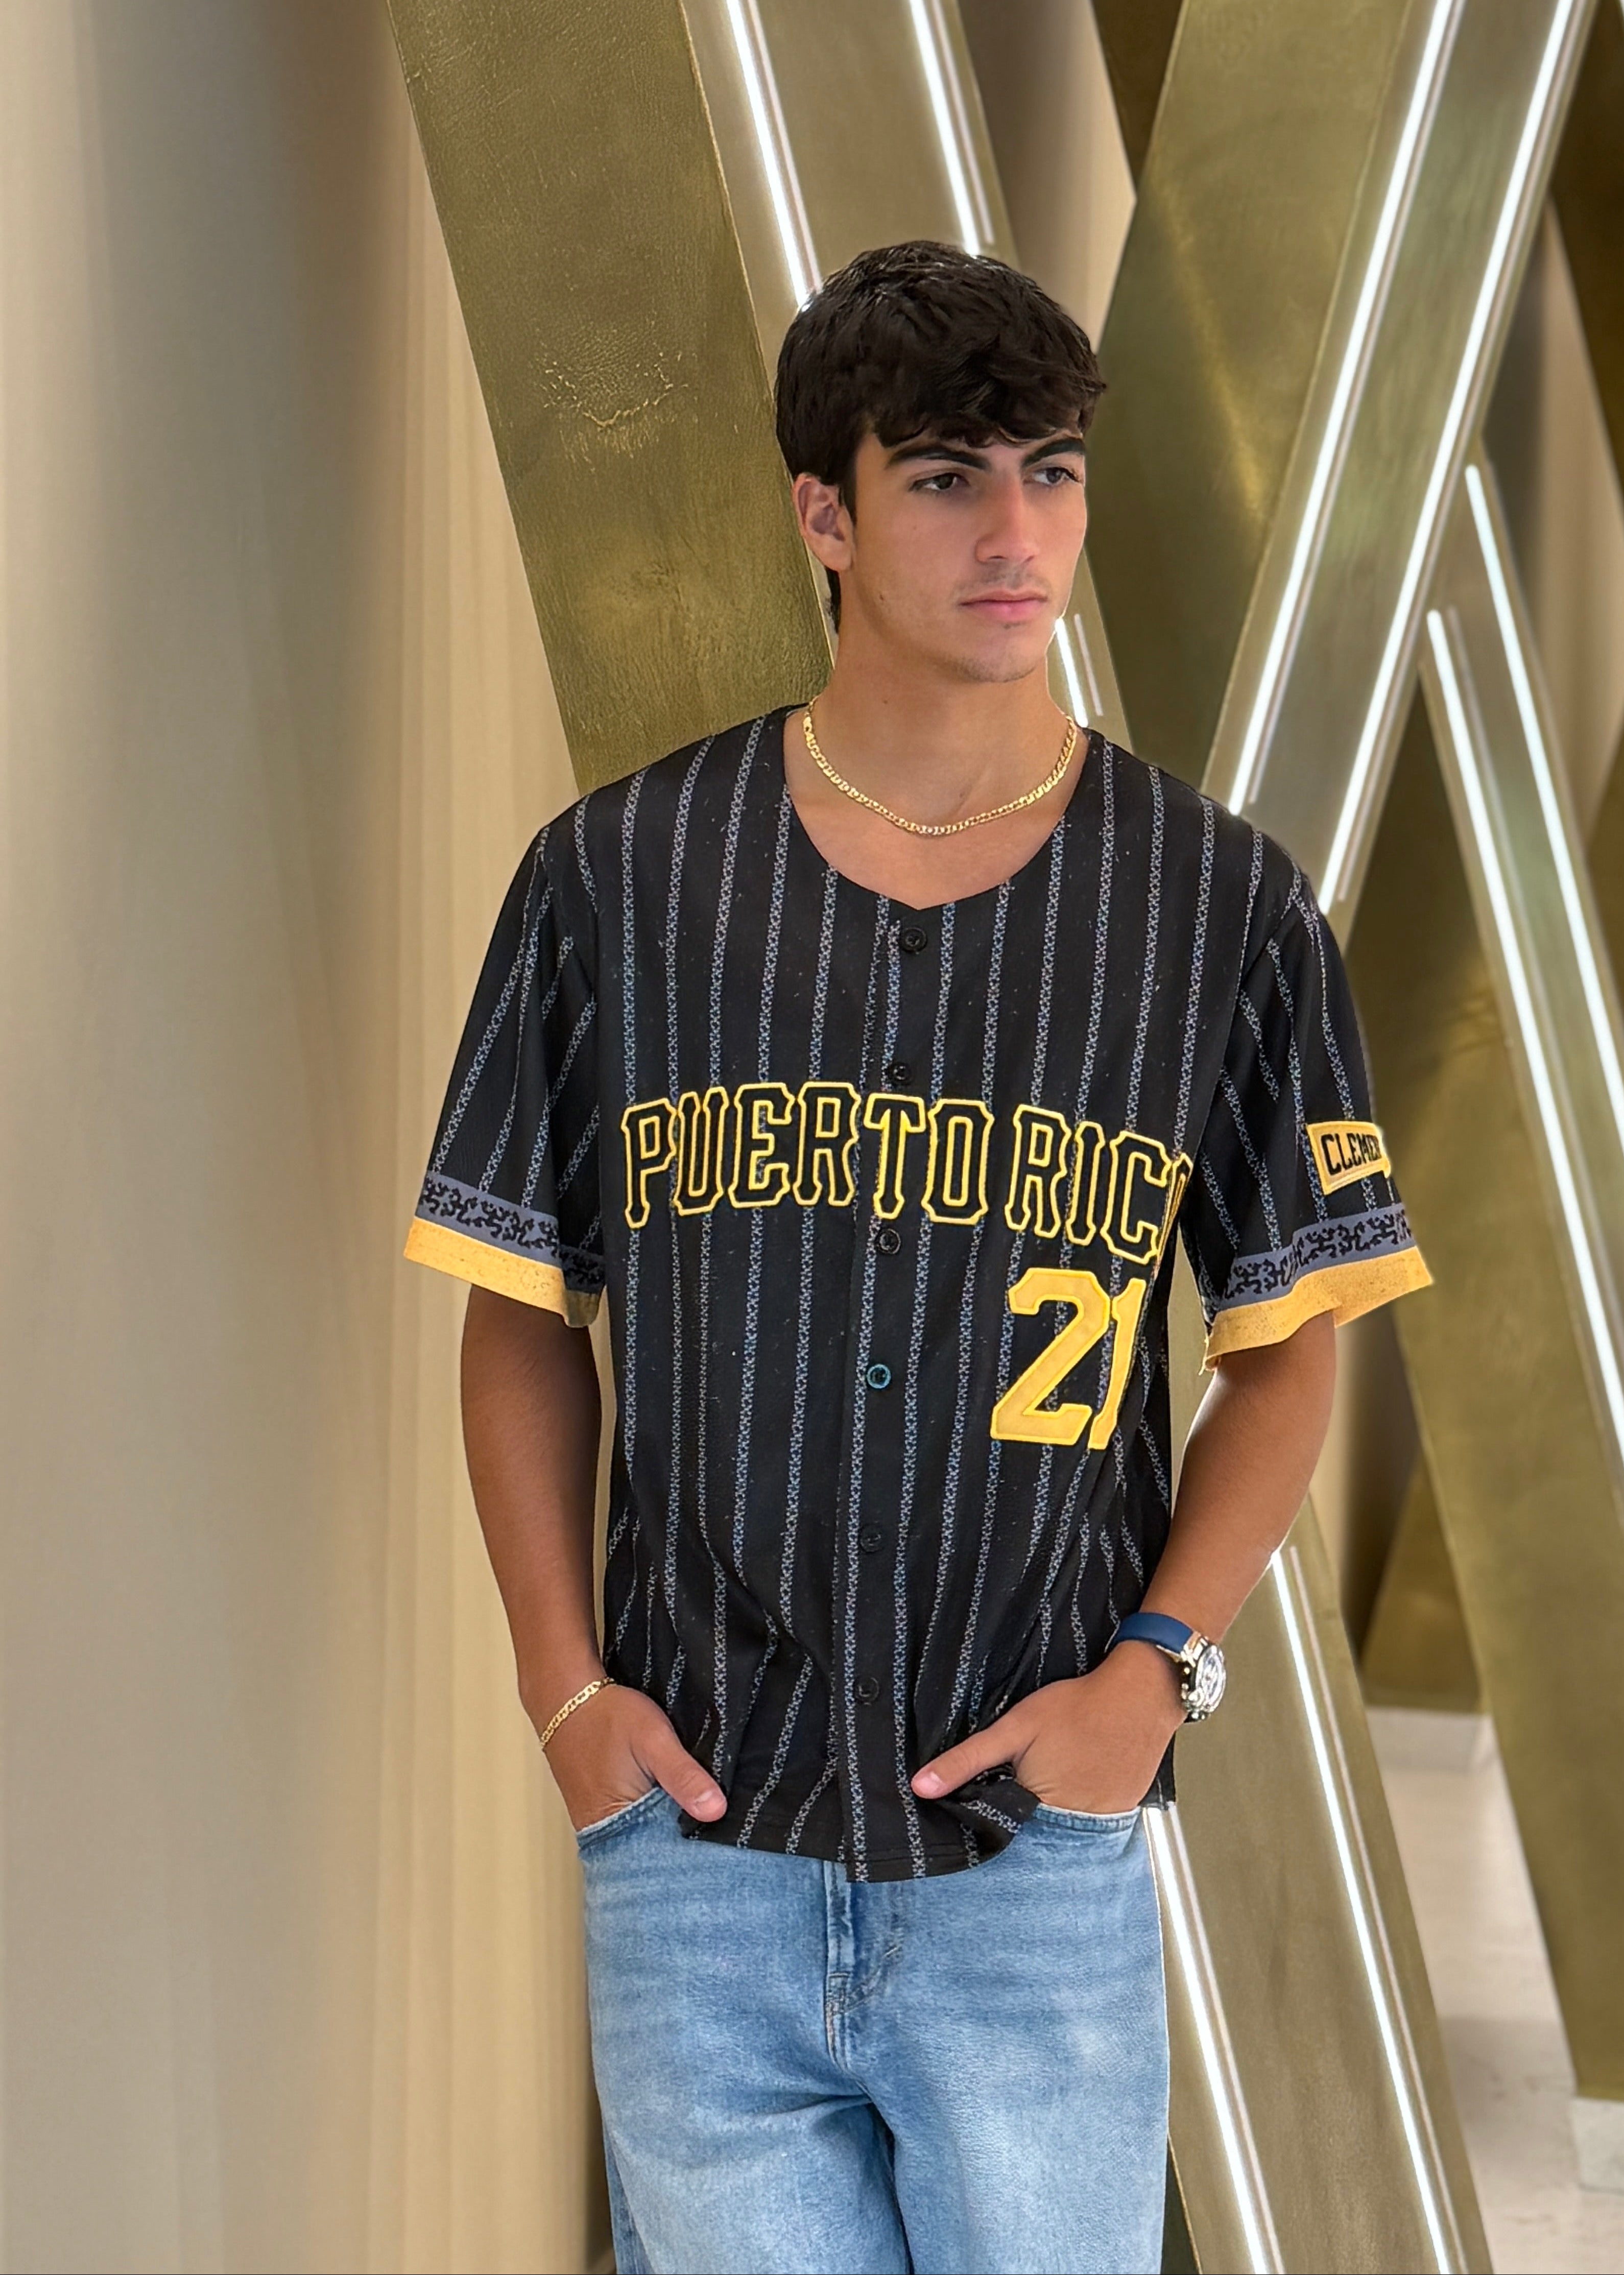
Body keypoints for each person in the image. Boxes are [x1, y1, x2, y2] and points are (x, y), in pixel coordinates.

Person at [404, 240, 1429, 2275]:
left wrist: (1155, 1675)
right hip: (698, 1844)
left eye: (1051, 472)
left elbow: (1290, 1339)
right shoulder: (621, 877)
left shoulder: (1219, 907)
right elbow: (522, 1305)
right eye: (949, 478)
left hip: (1029, 1857)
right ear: (825, 513)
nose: (1015, 533)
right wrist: (564, 1695)